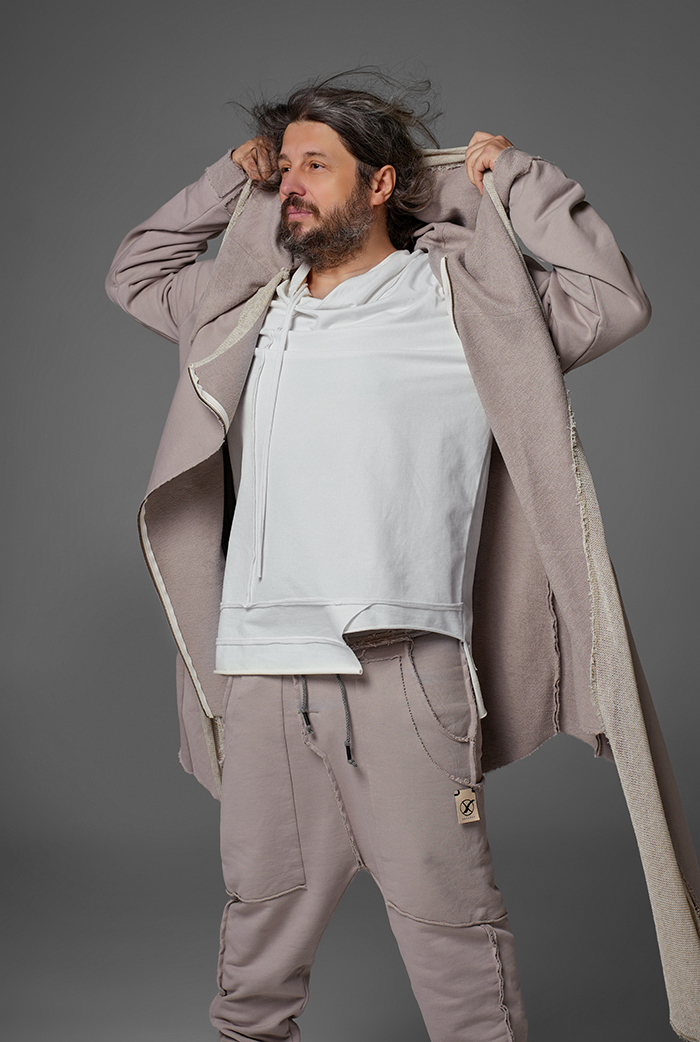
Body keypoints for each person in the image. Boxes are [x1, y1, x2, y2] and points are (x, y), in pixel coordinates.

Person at [106, 76, 700, 1042]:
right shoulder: (246, 309)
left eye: (316, 165)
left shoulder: (466, 304)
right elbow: (136, 272)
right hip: (260, 668)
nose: (292, 183)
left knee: (451, 928)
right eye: (284, 166)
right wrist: (226, 180)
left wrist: (518, 178)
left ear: (382, 183)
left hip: (403, 663)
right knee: (258, 930)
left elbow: (612, 299)